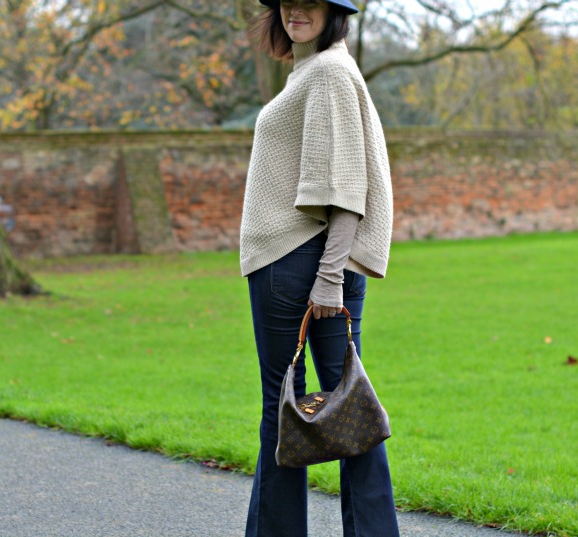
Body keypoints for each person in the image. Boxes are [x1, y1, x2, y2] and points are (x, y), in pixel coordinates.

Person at [239, 0, 399, 535]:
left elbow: (346, 189)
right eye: (288, 1)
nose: (295, 11)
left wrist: (329, 278)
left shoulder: (327, 71)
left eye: (310, 2)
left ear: (334, 12)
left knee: (287, 410)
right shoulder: (313, 68)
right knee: (350, 410)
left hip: (301, 263)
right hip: (306, 261)